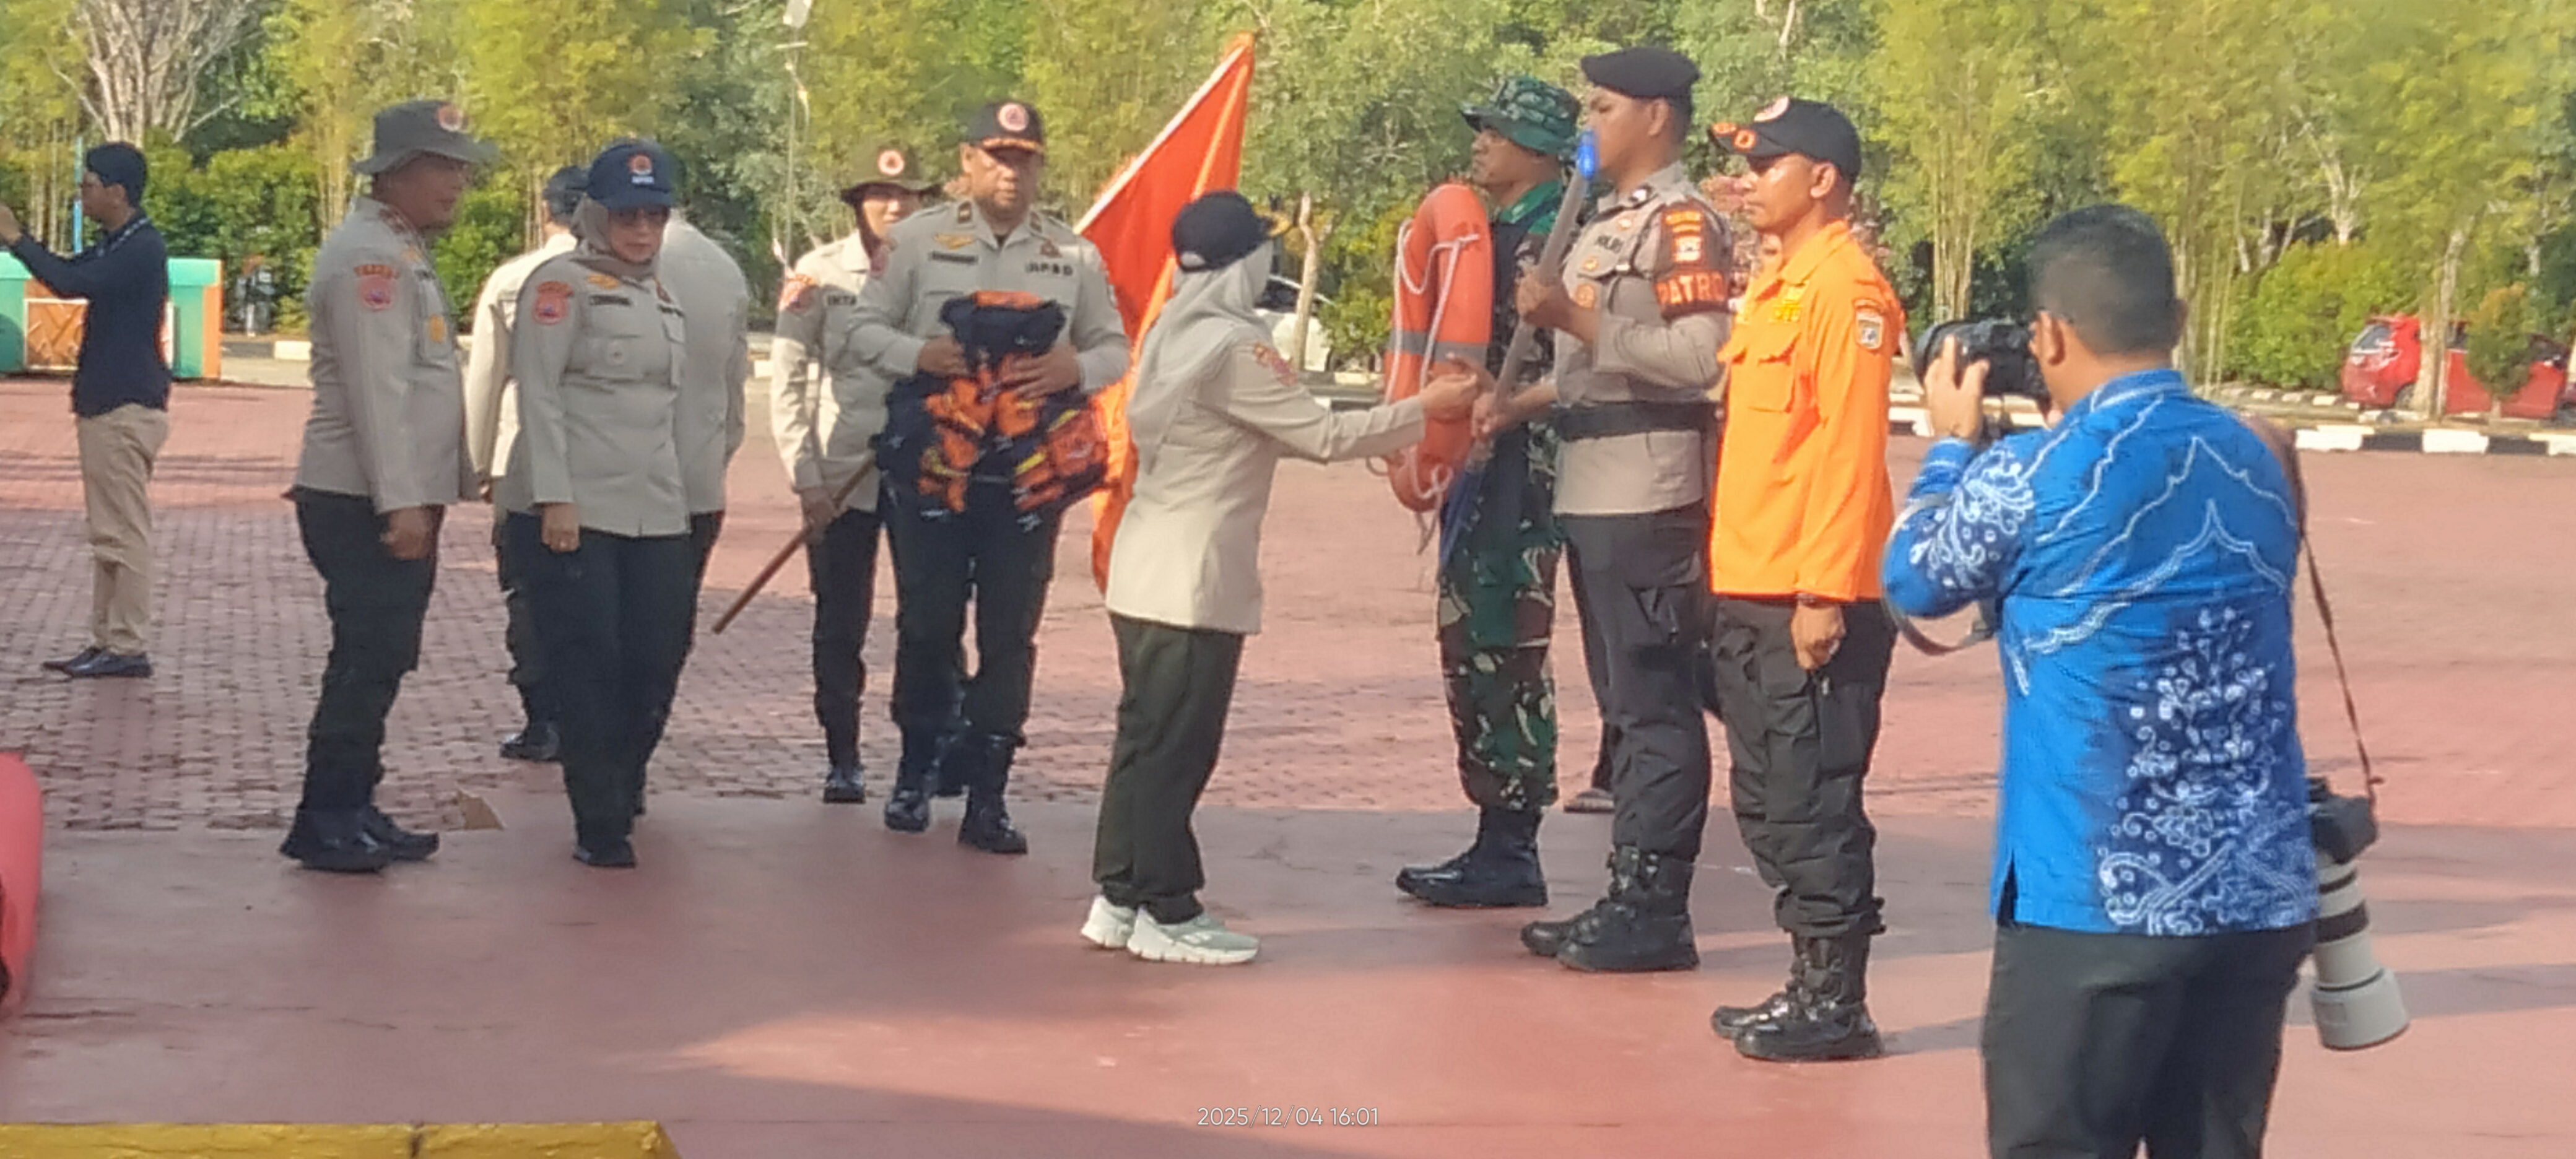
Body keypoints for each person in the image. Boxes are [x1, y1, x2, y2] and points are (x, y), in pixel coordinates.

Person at [1885, 206, 2318, 1158]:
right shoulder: (2259, 452)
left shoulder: (2031, 473)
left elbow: (1914, 578)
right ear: (2180, 317)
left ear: (2047, 336)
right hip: (2255, 895)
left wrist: (1950, 445)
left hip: (2094, 899)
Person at [1086, 192, 1477, 964]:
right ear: (1243, 264)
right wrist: (1425, 408)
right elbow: (1322, 435)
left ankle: (1119, 894)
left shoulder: (1169, 329)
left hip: (1145, 567)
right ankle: (1167, 908)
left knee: (1143, 742)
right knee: (1176, 749)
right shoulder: (1234, 347)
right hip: (1193, 576)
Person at [1497, 46, 1732, 973]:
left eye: (1603, 107)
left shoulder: (1682, 225)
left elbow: (1701, 357)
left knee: (1653, 704)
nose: (1589, 123)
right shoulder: (1609, 219)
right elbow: (1591, 373)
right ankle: (1626, 893)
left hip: (1648, 489)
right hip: (1595, 482)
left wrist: (1574, 320)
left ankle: (1654, 905)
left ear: (1655, 117)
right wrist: (1513, 404)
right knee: (1621, 703)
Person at [850, 100, 1128, 853]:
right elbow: (860, 329)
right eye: (998, 158)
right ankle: (915, 769)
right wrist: (920, 356)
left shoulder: (1073, 255)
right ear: (968, 161)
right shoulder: (915, 241)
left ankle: (989, 792)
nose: (1011, 173)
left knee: (1010, 635)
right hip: (935, 471)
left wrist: (1075, 368)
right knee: (927, 625)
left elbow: (1114, 347)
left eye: (1024, 160)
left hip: (1026, 482)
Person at [1696, 97, 1902, 1062]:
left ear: (1822, 179)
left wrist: (1824, 593)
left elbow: (1849, 452)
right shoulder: (1780, 283)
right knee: (1770, 800)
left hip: (1810, 597)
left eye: (1767, 166)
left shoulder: (1846, 292)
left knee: (1813, 800)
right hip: (1752, 580)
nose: (1751, 183)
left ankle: (1836, 1001)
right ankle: (1805, 982)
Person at [280, 101, 493, 872]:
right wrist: (401, 503)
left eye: (461, 166)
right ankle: (327, 815)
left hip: (385, 493)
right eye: (443, 166)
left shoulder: (397, 249)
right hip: (362, 497)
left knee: (384, 656)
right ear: (397, 172)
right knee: (367, 657)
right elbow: (380, 394)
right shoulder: (369, 259)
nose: (458, 182)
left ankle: (355, 803)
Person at [1393, 75, 1588, 909]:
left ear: (1539, 150)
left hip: (1525, 467)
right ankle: (1494, 830)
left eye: (1496, 133)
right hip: (1481, 460)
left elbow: (1576, 362)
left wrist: (1503, 405)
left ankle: (1511, 841)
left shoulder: (1562, 236)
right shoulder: (1487, 235)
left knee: (1503, 640)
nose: (1480, 144)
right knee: (1468, 634)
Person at [498, 139, 697, 869]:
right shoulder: (560, 285)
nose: (640, 230)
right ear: (594, 216)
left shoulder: (660, 293)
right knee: (589, 664)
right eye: (626, 216)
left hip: (655, 507)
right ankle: (599, 819)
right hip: (578, 508)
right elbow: (540, 394)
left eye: (654, 216)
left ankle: (624, 777)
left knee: (656, 658)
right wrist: (554, 497)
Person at [770, 146, 939, 805]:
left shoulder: (941, 271)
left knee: (927, 620)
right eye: (880, 195)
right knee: (840, 621)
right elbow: (788, 380)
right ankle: (842, 755)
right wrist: (805, 477)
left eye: (905, 196)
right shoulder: (818, 274)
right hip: (843, 471)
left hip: (923, 466)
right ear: (857, 204)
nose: (893, 207)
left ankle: (921, 756)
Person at [1, 144, 172, 680]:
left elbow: (72, 283)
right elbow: (70, 271)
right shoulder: (118, 243)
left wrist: (17, 239)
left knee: (124, 531)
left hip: (125, 405)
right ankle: (107, 638)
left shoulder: (141, 248)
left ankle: (128, 643)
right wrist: (21, 242)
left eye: (89, 186)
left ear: (118, 192)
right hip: (107, 401)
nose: (83, 195)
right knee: (107, 532)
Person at [465, 165, 587, 764]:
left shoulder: (513, 278)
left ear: (545, 212)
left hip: (521, 460)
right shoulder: (624, 280)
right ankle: (589, 717)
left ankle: (543, 720)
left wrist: (478, 462)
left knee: (529, 594)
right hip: (600, 466)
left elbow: (485, 377)